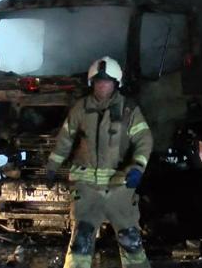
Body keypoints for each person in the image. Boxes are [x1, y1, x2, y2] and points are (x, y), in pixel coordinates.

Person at [46, 57, 153, 268]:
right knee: (81, 242)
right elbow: (65, 139)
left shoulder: (128, 110)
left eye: (107, 81)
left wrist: (138, 167)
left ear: (116, 83)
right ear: (91, 83)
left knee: (130, 240)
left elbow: (144, 140)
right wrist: (52, 167)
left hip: (119, 188)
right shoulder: (80, 109)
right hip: (87, 189)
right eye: (98, 81)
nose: (102, 85)